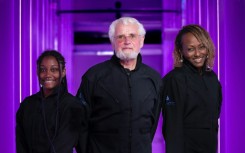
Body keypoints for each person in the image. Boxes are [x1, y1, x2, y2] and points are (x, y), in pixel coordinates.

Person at [76, 17, 162, 153]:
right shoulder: (93, 76)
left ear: (141, 41)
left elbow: (152, 124)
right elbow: (79, 123)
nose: (127, 41)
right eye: (121, 36)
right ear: (112, 42)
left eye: (132, 36)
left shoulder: (154, 79)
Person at [161, 24, 222, 153]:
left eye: (201, 47)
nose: (198, 53)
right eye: (190, 49)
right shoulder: (174, 80)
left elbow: (214, 118)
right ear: (180, 51)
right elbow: (172, 128)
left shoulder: (212, 78)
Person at [16, 50, 87, 153]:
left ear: (63, 72)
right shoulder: (27, 105)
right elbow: (21, 144)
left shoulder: (72, 105)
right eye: (43, 70)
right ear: (37, 72)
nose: (47, 74)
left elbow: (62, 147)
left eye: (54, 70)